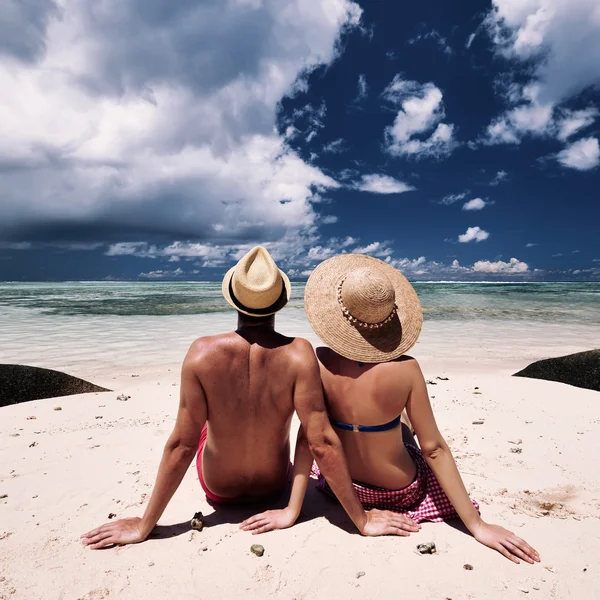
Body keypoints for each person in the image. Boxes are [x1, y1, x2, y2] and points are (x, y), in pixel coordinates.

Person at [81, 247, 419, 549]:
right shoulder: (299, 354)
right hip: (274, 487)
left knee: (199, 429)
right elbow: (321, 442)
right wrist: (361, 520)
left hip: (219, 490)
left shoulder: (201, 353)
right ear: (280, 303)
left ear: (233, 299)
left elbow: (181, 447)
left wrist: (145, 524)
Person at [241, 253, 540, 565]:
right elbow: (434, 449)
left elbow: (308, 439)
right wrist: (477, 526)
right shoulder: (407, 370)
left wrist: (292, 510)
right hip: (399, 491)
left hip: (341, 487)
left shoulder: (317, 362)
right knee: (406, 428)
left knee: (330, 428)